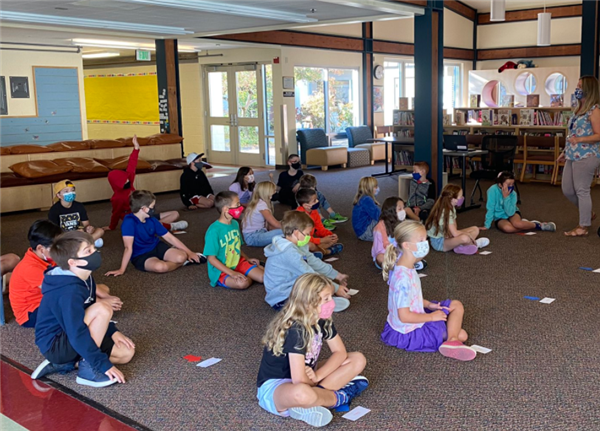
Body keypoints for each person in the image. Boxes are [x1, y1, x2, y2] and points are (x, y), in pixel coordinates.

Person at [256, 273, 368, 427]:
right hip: (277, 387)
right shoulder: (297, 329)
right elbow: (299, 381)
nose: (332, 303)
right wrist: (313, 379)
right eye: (326, 298)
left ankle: (315, 401)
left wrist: (317, 376)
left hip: (308, 375)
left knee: (357, 359)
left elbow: (340, 352)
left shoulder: (321, 319)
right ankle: (337, 397)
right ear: (309, 303)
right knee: (302, 393)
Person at [32, 231, 135, 387]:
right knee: (102, 308)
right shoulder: (68, 291)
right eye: (88, 251)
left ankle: (68, 364)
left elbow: (86, 311)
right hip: (56, 344)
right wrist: (103, 365)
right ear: (73, 262)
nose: (95, 253)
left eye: (93, 248)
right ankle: (87, 370)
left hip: (72, 333)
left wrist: (113, 331)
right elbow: (77, 331)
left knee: (126, 353)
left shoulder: (84, 275)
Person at [381, 221, 477, 361]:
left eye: (425, 239)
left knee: (456, 305)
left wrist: (428, 305)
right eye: (421, 240)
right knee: (462, 335)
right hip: (410, 330)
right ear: (406, 245)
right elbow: (405, 316)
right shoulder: (403, 279)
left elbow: (411, 298)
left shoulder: (405, 264)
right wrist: (431, 317)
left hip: (416, 314)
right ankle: (453, 339)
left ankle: (451, 339)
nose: (425, 243)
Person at [264, 211, 351, 311]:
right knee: (316, 286)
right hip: (281, 297)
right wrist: (334, 288)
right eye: (307, 233)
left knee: (318, 285)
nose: (309, 237)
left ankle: (321, 299)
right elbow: (309, 273)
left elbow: (314, 262)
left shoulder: (298, 243)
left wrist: (337, 275)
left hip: (291, 284)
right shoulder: (289, 253)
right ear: (296, 233)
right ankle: (319, 303)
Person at [105, 190, 204, 276]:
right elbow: (128, 248)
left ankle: (182, 259)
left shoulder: (152, 220)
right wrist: (122, 269)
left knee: (181, 257)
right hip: (140, 255)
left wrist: (190, 252)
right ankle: (181, 262)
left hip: (156, 246)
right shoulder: (129, 222)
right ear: (144, 209)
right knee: (161, 267)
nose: (154, 209)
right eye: (152, 206)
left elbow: (170, 238)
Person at [106, 135, 187, 232]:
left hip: (146, 213)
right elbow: (116, 213)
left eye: (127, 179)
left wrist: (136, 148)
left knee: (175, 213)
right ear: (117, 184)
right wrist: (111, 227)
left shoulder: (129, 181)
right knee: (148, 223)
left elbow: (132, 164)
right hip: (137, 219)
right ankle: (168, 227)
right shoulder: (117, 198)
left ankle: (156, 227)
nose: (128, 181)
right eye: (125, 181)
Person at [558, 76, 600, 236]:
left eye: (580, 86)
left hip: (587, 155)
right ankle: (587, 213)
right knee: (567, 189)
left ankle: (583, 226)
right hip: (572, 154)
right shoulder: (578, 110)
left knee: (582, 189)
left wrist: (580, 140)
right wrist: (564, 152)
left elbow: (598, 135)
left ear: (588, 89)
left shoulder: (594, 110)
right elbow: (572, 134)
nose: (577, 88)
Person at [203, 191, 264, 289]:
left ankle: (246, 273)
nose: (240, 207)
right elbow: (211, 258)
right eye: (237, 205)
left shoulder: (235, 224)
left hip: (237, 262)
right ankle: (245, 275)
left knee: (263, 277)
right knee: (242, 283)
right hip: (221, 271)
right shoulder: (213, 231)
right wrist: (232, 273)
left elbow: (236, 247)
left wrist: (247, 259)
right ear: (226, 209)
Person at [9, 220, 62, 328]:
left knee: (97, 292)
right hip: (30, 313)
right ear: (40, 249)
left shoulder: (47, 257)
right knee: (74, 306)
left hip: (44, 300)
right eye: (56, 246)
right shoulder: (30, 268)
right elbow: (58, 290)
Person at [425, 184, 490, 255]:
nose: (462, 198)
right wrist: (468, 235)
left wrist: (457, 234)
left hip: (447, 235)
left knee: (475, 229)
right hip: (439, 243)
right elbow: (455, 233)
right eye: (460, 196)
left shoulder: (451, 207)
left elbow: (454, 228)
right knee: (465, 238)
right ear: (452, 199)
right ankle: (475, 244)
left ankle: (461, 246)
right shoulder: (445, 212)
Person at [484, 171, 556, 233]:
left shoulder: (513, 194)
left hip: (512, 212)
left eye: (513, 184)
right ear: (500, 184)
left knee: (518, 224)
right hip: (499, 217)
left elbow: (510, 212)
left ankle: (537, 225)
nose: (511, 186)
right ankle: (526, 225)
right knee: (508, 228)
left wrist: (506, 197)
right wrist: (487, 225)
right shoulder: (492, 190)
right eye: (509, 185)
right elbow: (490, 208)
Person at [48, 180, 104, 248]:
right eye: (66, 191)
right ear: (58, 195)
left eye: (72, 190)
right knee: (54, 240)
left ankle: (79, 245)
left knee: (100, 231)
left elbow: (86, 224)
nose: (70, 193)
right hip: (64, 236)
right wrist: (71, 234)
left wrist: (88, 228)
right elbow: (53, 231)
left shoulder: (79, 206)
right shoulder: (54, 210)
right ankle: (86, 243)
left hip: (79, 234)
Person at [296, 188, 342, 257]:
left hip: (310, 240)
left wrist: (330, 235)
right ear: (306, 205)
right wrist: (321, 240)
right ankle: (326, 252)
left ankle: (314, 253)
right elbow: (303, 238)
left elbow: (320, 228)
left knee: (331, 241)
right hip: (300, 242)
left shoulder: (314, 211)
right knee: (310, 245)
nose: (317, 201)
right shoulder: (300, 216)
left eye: (317, 199)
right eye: (314, 201)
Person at [242, 181, 283, 247]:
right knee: (286, 232)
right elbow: (276, 224)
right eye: (273, 191)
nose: (275, 192)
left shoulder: (259, 202)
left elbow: (270, 226)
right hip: (253, 237)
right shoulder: (261, 205)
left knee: (286, 229)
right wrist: (291, 227)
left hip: (259, 233)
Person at [352, 177, 381, 241]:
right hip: (364, 231)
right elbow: (379, 215)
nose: (377, 188)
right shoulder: (367, 200)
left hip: (361, 230)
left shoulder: (363, 198)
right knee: (385, 221)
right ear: (369, 189)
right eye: (375, 186)